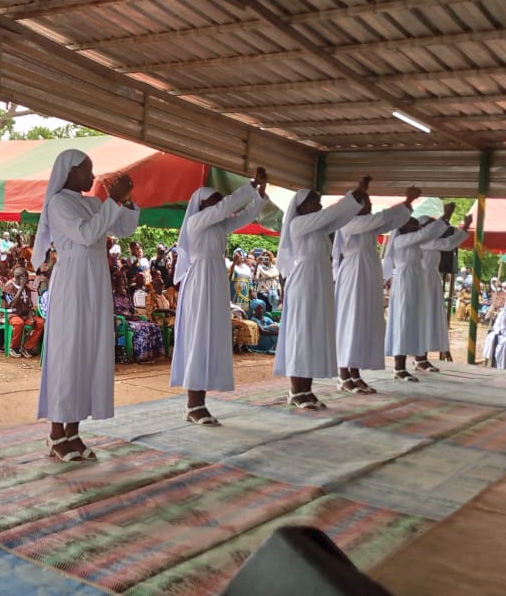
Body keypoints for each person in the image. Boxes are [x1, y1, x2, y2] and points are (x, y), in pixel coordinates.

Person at [35, 151, 138, 462]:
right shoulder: (58, 204)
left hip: (95, 282)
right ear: (70, 172)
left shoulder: (93, 203)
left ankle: (73, 432)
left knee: (88, 352)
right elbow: (86, 234)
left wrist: (126, 201)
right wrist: (113, 201)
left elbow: (124, 229)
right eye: (87, 171)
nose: (93, 177)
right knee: (68, 354)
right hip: (72, 282)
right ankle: (56, 433)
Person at [170, 172, 268, 425]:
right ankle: (193, 405)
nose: (219, 203)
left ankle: (199, 403)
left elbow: (244, 216)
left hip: (214, 282)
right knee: (198, 337)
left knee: (210, 338)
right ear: (201, 203)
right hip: (200, 282)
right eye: (214, 199)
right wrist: (250, 187)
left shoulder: (218, 225)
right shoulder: (196, 222)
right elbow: (226, 207)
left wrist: (259, 196)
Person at [273, 178, 369, 409]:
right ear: (302, 206)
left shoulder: (318, 227)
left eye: (319, 201)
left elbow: (339, 218)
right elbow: (331, 214)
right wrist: (354, 194)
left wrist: (356, 200)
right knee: (301, 335)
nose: (319, 205)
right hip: (304, 282)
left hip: (319, 283)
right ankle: (296, 391)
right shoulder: (299, 224)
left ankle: (306, 389)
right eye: (314, 201)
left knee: (314, 335)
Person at [332, 186, 419, 394]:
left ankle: (354, 373)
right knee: (351, 322)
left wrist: (407, 207)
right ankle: (343, 375)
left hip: (367, 275)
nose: (371, 206)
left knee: (362, 323)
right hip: (354, 274)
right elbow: (381, 219)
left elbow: (389, 222)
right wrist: (406, 202)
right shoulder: (349, 222)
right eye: (367, 202)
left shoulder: (367, 225)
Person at [383, 212, 471, 380]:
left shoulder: (417, 242)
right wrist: (445, 217)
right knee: (403, 321)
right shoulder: (402, 240)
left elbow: (442, 239)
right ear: (404, 228)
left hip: (417, 282)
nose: (417, 229)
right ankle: (399, 367)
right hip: (405, 282)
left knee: (418, 321)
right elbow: (439, 240)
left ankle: (419, 358)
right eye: (414, 226)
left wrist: (456, 227)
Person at [418, 204, 471, 369]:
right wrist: (465, 228)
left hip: (432, 281)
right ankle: (419, 357)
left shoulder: (431, 242)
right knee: (423, 319)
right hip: (423, 283)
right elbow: (449, 243)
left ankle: (422, 357)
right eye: (430, 226)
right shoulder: (423, 242)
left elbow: (448, 243)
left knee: (430, 318)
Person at [112, 273, 165, 363]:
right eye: (121, 283)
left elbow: (132, 307)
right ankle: (141, 356)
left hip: (131, 318)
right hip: (122, 320)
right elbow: (114, 311)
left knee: (153, 326)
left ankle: (153, 354)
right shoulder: (112, 295)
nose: (123, 285)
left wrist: (135, 314)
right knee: (142, 328)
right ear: (116, 284)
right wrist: (129, 317)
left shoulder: (126, 293)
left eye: (124, 282)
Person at [5, 265, 43, 357]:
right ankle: (14, 347)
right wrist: (21, 288)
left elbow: (29, 306)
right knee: (19, 323)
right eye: (25, 277)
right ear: (19, 278)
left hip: (24, 315)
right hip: (12, 314)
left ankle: (27, 347)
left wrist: (31, 317)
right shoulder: (9, 286)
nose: (28, 279)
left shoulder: (26, 288)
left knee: (40, 323)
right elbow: (12, 304)